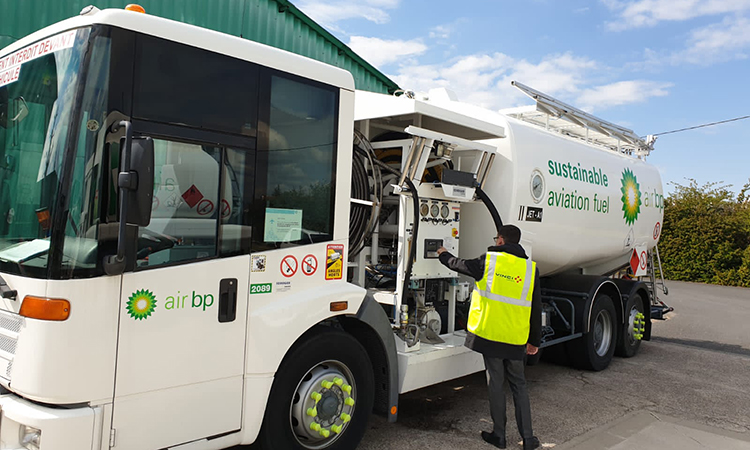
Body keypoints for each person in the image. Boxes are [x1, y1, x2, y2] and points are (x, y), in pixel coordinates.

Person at [437, 224, 541, 450]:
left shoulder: (490, 261)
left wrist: (442, 253)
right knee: (519, 385)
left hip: (491, 335)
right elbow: (535, 307)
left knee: (496, 383)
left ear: (501, 240)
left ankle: (499, 436)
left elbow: (458, 264)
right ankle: (529, 439)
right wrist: (535, 341)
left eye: (497, 238)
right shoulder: (530, 269)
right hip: (515, 338)